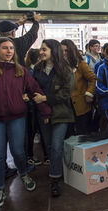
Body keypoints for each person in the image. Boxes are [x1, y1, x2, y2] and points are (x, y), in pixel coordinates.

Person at [0, 37, 51, 206]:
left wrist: (45, 110)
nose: (9, 51)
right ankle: (0, 187)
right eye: (5, 48)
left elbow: (35, 90)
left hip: (16, 117)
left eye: (11, 48)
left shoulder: (21, 71)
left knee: (18, 151)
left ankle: (23, 173)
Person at [32, 39, 74, 197]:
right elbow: (32, 89)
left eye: (44, 49)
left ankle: (54, 179)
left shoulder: (65, 70)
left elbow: (65, 94)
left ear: (53, 51)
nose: (41, 52)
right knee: (49, 146)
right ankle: (58, 169)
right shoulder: (37, 68)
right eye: (41, 49)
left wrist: (44, 99)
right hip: (43, 113)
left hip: (61, 113)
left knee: (56, 146)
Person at [61, 39, 97, 136]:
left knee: (83, 131)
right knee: (68, 133)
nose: (64, 53)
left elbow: (94, 79)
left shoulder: (81, 64)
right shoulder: (59, 66)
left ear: (72, 51)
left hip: (81, 103)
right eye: (62, 51)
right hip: (65, 105)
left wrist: (89, 93)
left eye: (66, 51)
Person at [24, 48, 49, 166]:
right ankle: (31, 155)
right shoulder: (31, 72)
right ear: (38, 58)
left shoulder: (30, 70)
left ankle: (41, 155)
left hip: (34, 106)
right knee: (33, 131)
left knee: (36, 131)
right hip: (33, 107)